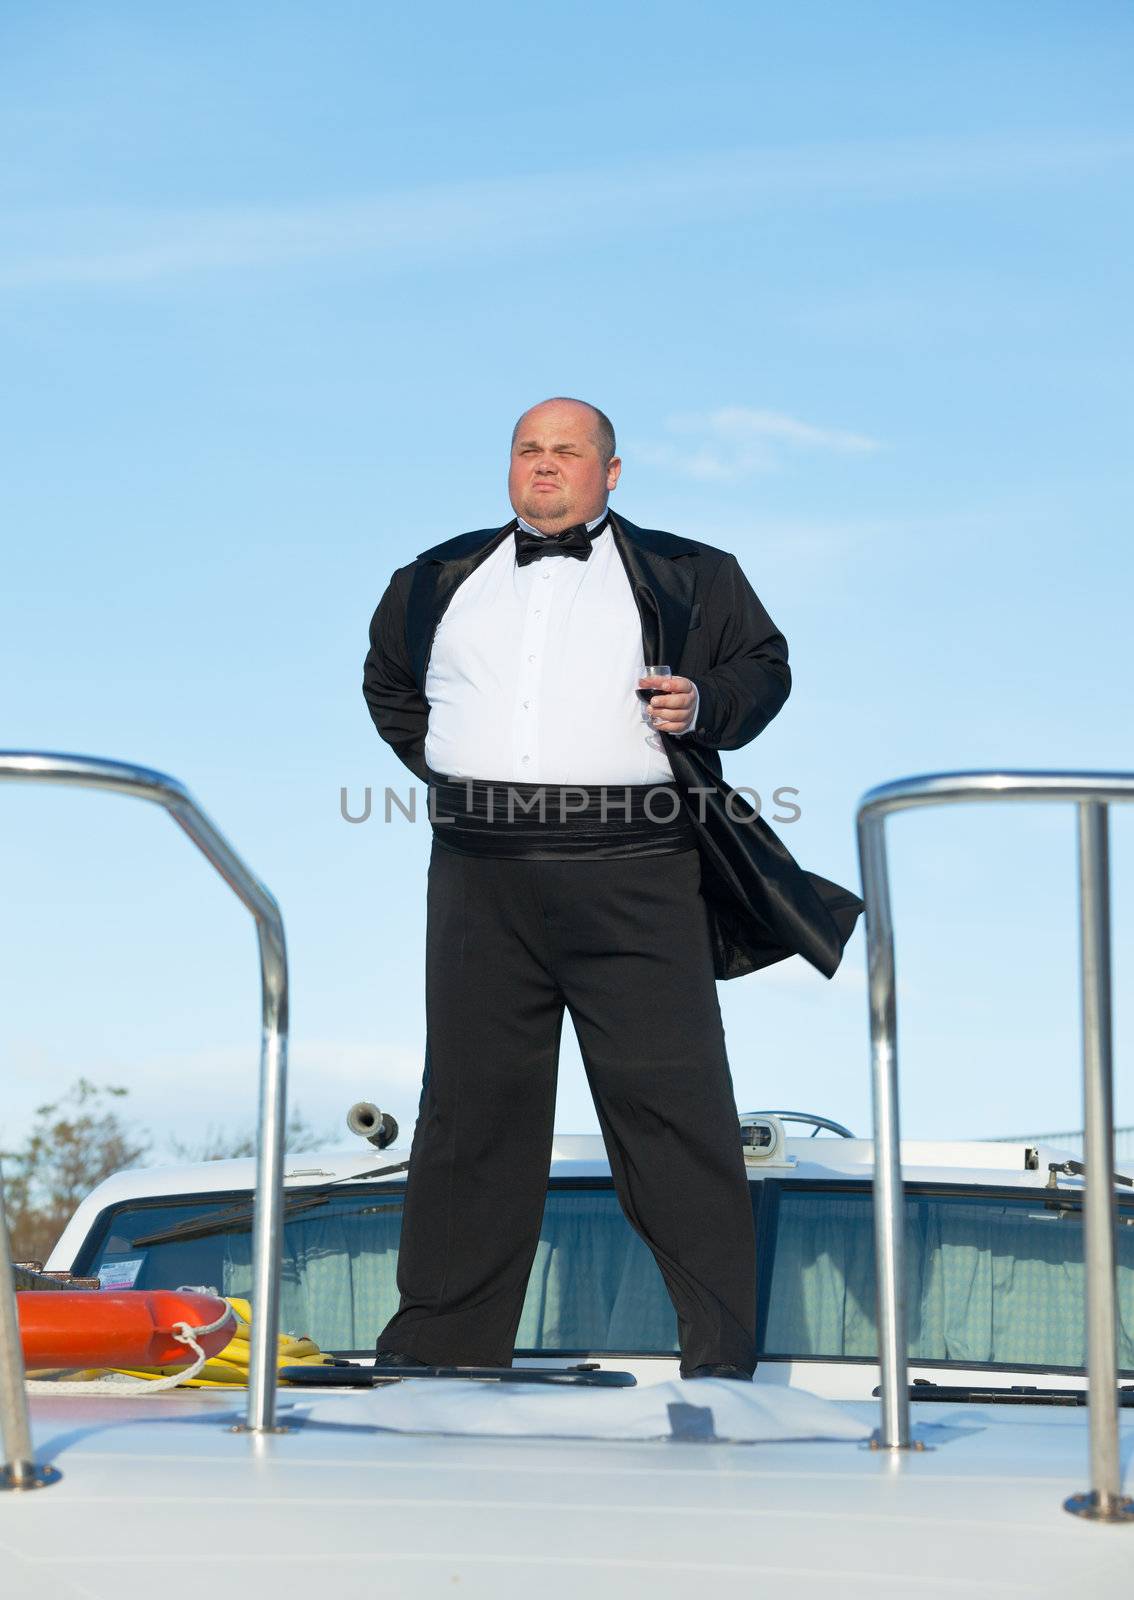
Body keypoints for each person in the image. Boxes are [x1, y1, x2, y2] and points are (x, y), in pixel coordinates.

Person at [362, 396, 861, 1378]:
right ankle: (441, 1352)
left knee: (673, 1109)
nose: (544, 467)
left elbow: (761, 670)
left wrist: (704, 702)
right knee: (469, 1109)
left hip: (635, 861)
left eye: (567, 452)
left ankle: (720, 1359)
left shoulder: (690, 571)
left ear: (611, 473)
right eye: (528, 451)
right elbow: (392, 690)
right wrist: (473, 772)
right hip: (477, 864)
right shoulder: (432, 578)